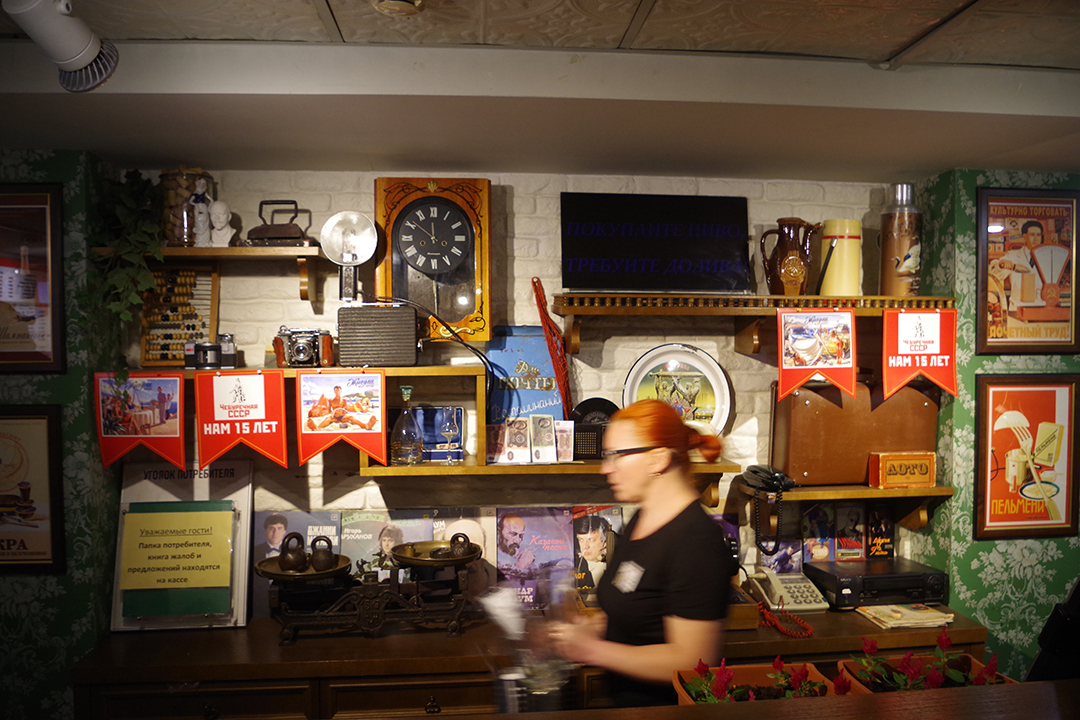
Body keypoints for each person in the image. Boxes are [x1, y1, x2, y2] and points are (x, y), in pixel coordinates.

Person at [553, 399, 735, 707]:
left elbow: (692, 661)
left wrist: (590, 650)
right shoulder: (643, 518)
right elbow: (639, 605)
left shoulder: (696, 542)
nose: (605, 468)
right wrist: (591, 627)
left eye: (616, 456)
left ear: (658, 459)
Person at [994, 220, 1044, 311]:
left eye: (1038, 235)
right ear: (1024, 236)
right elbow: (996, 272)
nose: (1036, 238)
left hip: (1043, 308)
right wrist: (1002, 264)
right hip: (1017, 309)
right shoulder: (1013, 255)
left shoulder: (1047, 256)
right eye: (1032, 235)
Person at [574, 514, 611, 590]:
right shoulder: (574, 567)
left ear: (605, 542)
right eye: (581, 540)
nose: (585, 546)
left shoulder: (615, 564)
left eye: (591, 540)